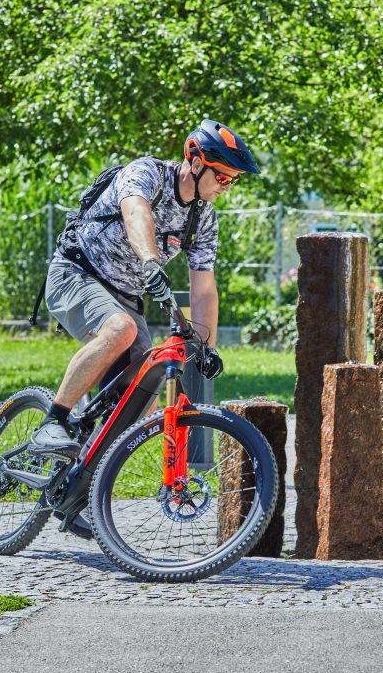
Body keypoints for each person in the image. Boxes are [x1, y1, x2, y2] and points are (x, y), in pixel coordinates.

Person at [29, 119, 260, 459]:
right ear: (196, 163)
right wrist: (151, 261)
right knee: (121, 329)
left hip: (126, 296)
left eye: (234, 180)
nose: (227, 187)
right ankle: (54, 421)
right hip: (77, 272)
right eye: (223, 176)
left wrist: (206, 347)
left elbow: (204, 288)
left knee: (148, 381)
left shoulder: (204, 218)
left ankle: (86, 477)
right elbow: (136, 213)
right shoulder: (148, 174)